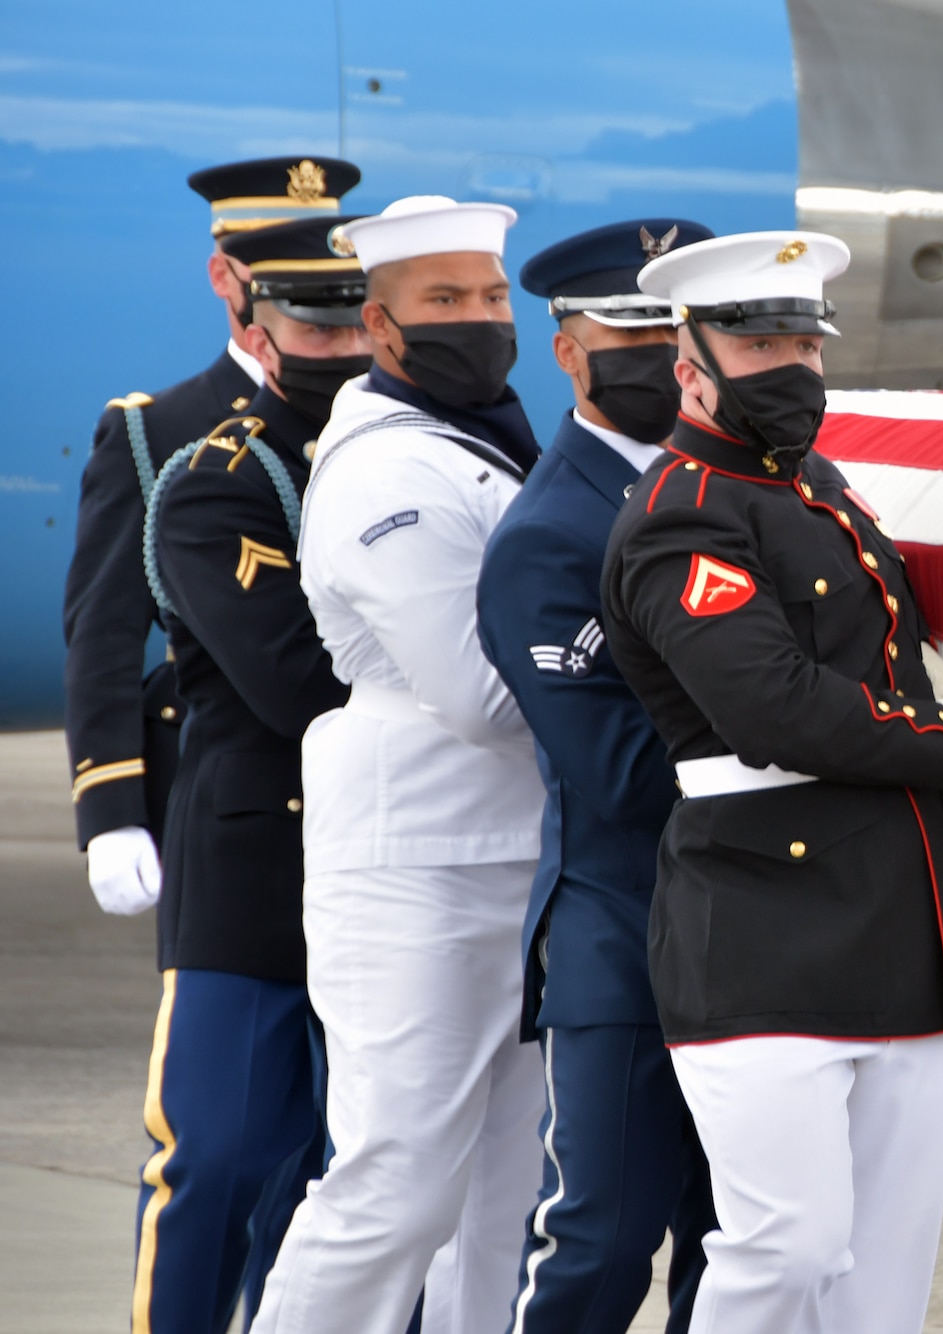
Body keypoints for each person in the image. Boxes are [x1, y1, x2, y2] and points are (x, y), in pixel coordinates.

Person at [598, 230, 943, 1333]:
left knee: (880, 1280)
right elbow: (768, 704)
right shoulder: (682, 512)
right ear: (689, 364)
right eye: (758, 343)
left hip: (897, 911)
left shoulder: (818, 487)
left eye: (801, 340)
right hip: (761, 923)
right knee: (786, 1244)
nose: (788, 364)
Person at [251, 196, 547, 1334]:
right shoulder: (392, 472)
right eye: (445, 301)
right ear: (381, 324)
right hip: (418, 864)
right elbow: (480, 691)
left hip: (509, 852)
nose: (479, 319)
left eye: (490, 296)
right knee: (397, 1182)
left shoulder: (487, 444)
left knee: (502, 1191)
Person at [478, 217, 720, 1334]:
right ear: (566, 347)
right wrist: (821, 746)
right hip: (624, 935)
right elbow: (620, 770)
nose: (654, 350)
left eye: (674, 327)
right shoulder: (548, 534)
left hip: (756, 938)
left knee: (739, 1245)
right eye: (625, 326)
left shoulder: (744, 491)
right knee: (601, 1238)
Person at [132, 213, 367, 1334]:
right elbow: (291, 679)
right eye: (311, 329)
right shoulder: (219, 478)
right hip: (256, 873)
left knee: (344, 1179)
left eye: (355, 326)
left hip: (384, 873)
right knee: (217, 1162)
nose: (338, 351)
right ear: (260, 331)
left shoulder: (441, 453)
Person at [64, 156, 359, 920]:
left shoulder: (378, 407)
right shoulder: (158, 428)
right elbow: (105, 626)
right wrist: (111, 804)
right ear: (224, 276)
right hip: (233, 783)